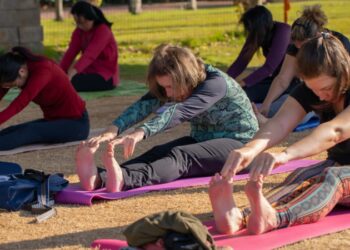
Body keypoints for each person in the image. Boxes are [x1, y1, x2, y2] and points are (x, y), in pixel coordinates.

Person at [209, 33, 350, 235]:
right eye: (313, 89)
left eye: (325, 88)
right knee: (302, 175)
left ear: (343, 72)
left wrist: (284, 155)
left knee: (335, 177)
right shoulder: (315, 88)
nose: (319, 95)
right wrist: (249, 149)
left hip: (342, 172)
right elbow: (280, 123)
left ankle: (276, 218)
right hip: (341, 163)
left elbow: (335, 131)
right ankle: (243, 217)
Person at [75, 44, 259, 192]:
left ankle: (125, 179)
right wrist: (111, 131)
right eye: (164, 87)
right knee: (158, 152)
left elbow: (179, 111)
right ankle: (102, 178)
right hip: (206, 140)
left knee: (181, 156)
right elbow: (142, 106)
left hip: (242, 147)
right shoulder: (177, 85)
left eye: (170, 87)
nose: (167, 93)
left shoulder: (214, 84)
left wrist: (141, 132)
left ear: (185, 77)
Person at [259, 5, 350, 118]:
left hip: (337, 97)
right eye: (297, 48)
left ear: (316, 37)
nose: (301, 51)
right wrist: (266, 105)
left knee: (298, 115)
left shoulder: (338, 44)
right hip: (312, 93)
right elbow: (282, 79)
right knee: (280, 106)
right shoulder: (295, 47)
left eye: (304, 47)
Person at [0, 46, 89, 150]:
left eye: (11, 85)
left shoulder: (43, 70)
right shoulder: (18, 70)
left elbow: (20, 103)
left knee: (28, 131)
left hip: (75, 124)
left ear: (22, 71)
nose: (10, 88)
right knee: (13, 130)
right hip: (54, 120)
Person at [226, 5, 291, 103]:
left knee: (241, 95)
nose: (249, 33)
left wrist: (241, 83)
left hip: (289, 83)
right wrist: (224, 79)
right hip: (275, 79)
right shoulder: (258, 34)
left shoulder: (283, 31)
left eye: (250, 30)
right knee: (240, 93)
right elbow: (241, 61)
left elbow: (269, 68)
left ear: (260, 28)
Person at [60, 1, 119, 92]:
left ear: (90, 18)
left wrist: (71, 73)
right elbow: (70, 53)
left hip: (105, 76)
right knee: (60, 81)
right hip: (87, 72)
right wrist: (59, 72)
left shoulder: (103, 31)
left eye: (81, 22)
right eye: (76, 23)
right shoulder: (79, 32)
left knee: (69, 83)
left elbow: (90, 55)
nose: (79, 26)